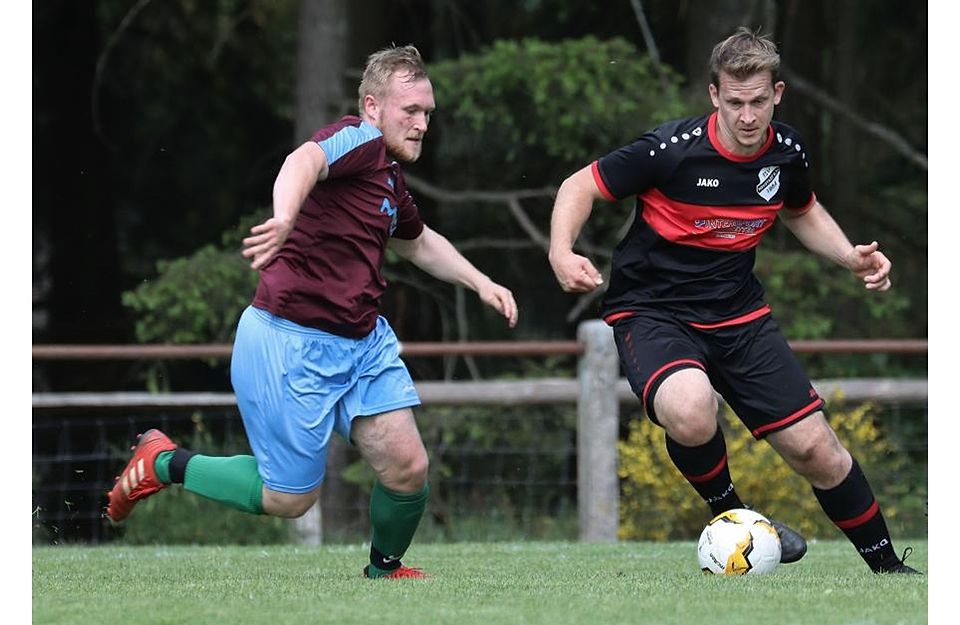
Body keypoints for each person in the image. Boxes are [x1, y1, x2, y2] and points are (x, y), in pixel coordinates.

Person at [107, 45, 519, 579]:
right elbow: (302, 161)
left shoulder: (389, 178)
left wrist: (481, 282)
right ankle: (164, 462)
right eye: (410, 111)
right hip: (289, 341)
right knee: (289, 499)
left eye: (427, 113)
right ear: (372, 106)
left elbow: (417, 243)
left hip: (361, 343)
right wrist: (284, 218)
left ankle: (385, 571)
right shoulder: (359, 139)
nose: (422, 124)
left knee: (408, 467)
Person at [547, 27, 918, 574]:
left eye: (759, 102)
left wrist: (849, 257)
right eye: (736, 102)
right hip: (653, 312)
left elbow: (801, 210)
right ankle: (735, 516)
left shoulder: (786, 151)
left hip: (740, 317)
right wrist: (561, 251)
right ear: (714, 95)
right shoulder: (669, 151)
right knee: (691, 409)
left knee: (817, 449)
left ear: (778, 94)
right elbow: (578, 186)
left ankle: (889, 569)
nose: (748, 116)